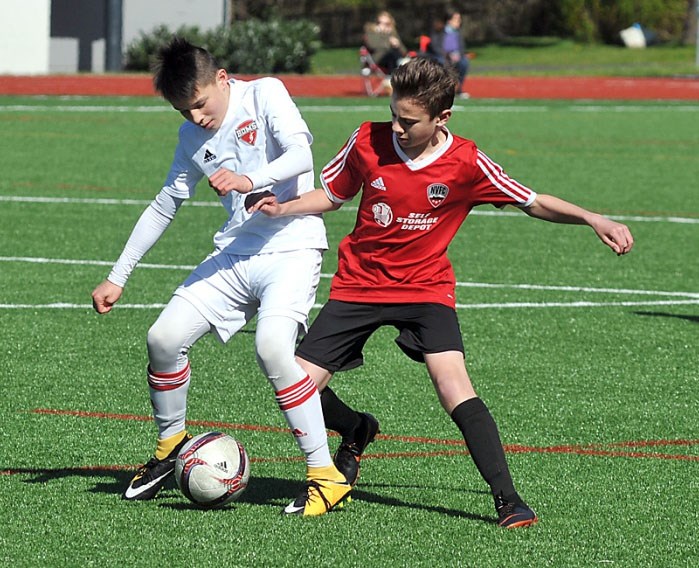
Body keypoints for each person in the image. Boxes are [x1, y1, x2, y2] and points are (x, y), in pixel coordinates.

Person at [248, 57, 634, 528]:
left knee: (453, 385)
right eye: (393, 114)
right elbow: (333, 195)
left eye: (408, 121)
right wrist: (283, 207)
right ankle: (355, 428)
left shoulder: (466, 161)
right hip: (360, 283)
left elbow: (532, 201)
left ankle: (509, 499)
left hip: (426, 286)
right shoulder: (366, 141)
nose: (397, 126)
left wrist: (594, 217)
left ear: (441, 118)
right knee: (294, 385)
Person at [90, 37, 351, 516]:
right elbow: (164, 204)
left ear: (223, 79)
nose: (196, 119)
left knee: (272, 346)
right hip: (235, 252)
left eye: (201, 105)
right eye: (183, 111)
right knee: (163, 338)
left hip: (291, 246)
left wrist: (250, 180)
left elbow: (301, 154)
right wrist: (117, 276)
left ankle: (323, 474)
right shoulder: (192, 137)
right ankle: (171, 446)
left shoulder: (264, 93)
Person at [429, 10, 470, 97]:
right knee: (442, 62)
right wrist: (447, 55)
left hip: (456, 57)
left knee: (464, 62)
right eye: (456, 19)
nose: (459, 21)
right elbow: (435, 46)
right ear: (449, 20)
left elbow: (461, 48)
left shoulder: (458, 33)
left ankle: (458, 89)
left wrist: (459, 55)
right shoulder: (439, 31)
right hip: (442, 56)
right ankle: (443, 89)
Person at [363, 10, 408, 76]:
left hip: (394, 57)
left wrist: (398, 45)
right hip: (378, 58)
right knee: (390, 54)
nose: (382, 25)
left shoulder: (392, 33)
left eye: (386, 24)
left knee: (393, 54)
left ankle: (398, 68)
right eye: (379, 23)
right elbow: (373, 46)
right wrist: (383, 35)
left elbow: (404, 51)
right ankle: (393, 75)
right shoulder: (371, 31)